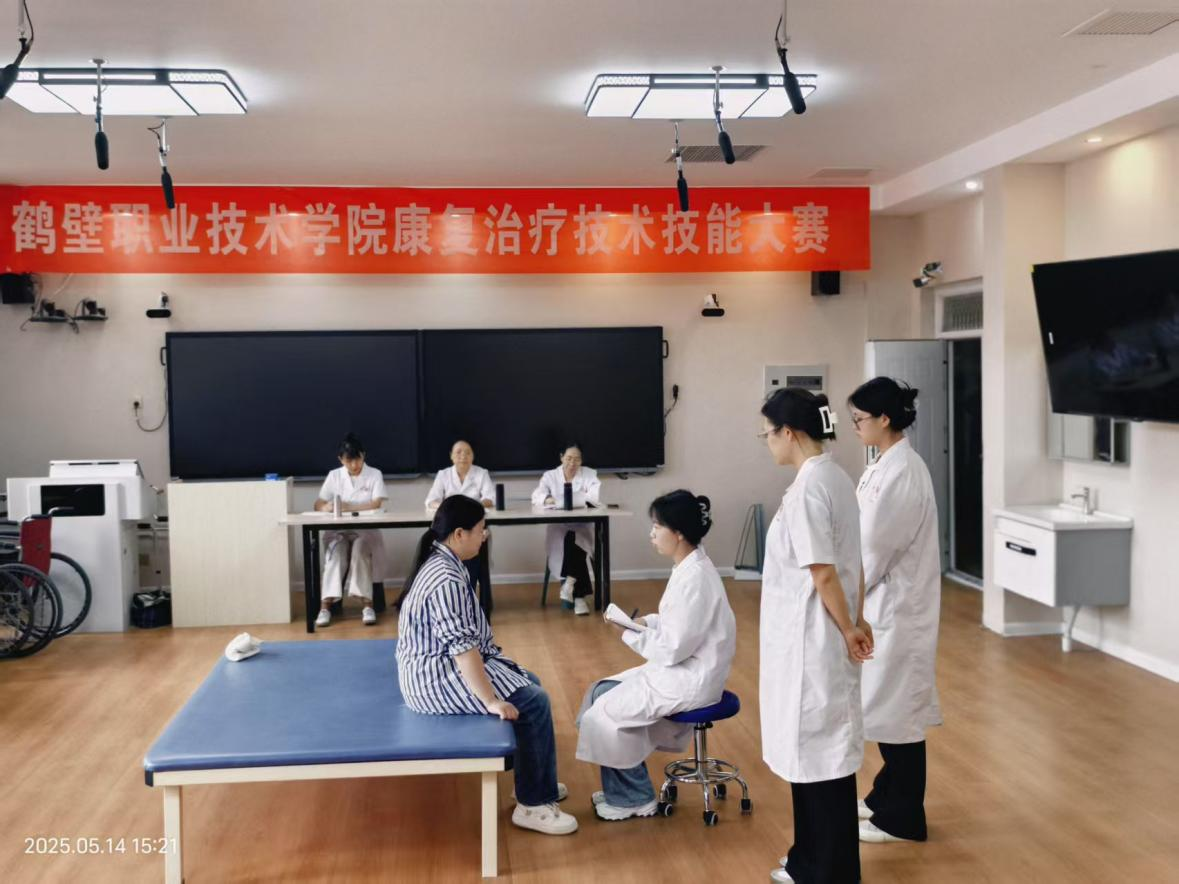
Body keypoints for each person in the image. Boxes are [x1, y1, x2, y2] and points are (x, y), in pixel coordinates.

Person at [395, 495, 578, 836]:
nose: (485, 535)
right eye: (481, 529)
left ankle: (532, 781)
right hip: (434, 679)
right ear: (459, 534)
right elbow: (462, 650)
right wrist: (491, 700)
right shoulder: (445, 579)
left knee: (530, 682)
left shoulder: (444, 561)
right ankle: (533, 805)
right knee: (534, 701)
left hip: (437, 667)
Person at [758, 389, 873, 884]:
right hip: (823, 633)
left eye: (767, 434)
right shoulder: (837, 477)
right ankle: (811, 859)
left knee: (818, 757)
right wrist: (858, 619)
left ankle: (824, 869)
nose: (767, 443)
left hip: (814, 639)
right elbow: (855, 561)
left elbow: (824, 570)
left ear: (788, 432)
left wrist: (849, 627)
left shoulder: (809, 488)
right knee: (819, 756)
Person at [576, 490, 736, 820]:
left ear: (678, 533)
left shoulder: (695, 578)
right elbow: (679, 624)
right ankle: (623, 788)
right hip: (683, 669)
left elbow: (674, 647)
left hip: (690, 677)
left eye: (657, 526)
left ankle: (633, 798)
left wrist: (627, 633)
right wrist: (644, 623)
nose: (651, 533)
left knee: (605, 710)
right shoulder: (690, 567)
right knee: (599, 692)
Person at [849, 377, 942, 844]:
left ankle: (904, 819)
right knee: (886, 710)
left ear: (885, 418)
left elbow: (875, 548)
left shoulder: (904, 470)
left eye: (860, 419)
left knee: (899, 716)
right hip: (884, 602)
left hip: (900, 609)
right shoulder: (884, 463)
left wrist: (843, 595)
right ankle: (883, 798)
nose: (855, 427)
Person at [313, 432, 389, 627]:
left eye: (358, 459)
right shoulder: (334, 475)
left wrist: (348, 507)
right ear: (341, 460)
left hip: (365, 531)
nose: (354, 465)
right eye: (349, 461)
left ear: (364, 455)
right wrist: (325, 507)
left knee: (360, 551)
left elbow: (376, 503)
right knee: (335, 555)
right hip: (338, 531)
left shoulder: (374, 474)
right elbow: (318, 502)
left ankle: (367, 606)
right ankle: (325, 608)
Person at [530, 442, 601, 616]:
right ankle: (578, 597)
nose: (572, 463)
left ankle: (569, 585)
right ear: (561, 457)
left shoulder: (589, 474)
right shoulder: (550, 476)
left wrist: (578, 499)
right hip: (558, 527)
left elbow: (594, 497)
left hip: (582, 525)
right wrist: (550, 499)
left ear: (581, 460)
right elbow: (536, 495)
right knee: (570, 538)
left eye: (577, 459)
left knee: (574, 538)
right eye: (569, 458)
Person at [425, 440, 495, 614]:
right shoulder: (443, 474)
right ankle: (453, 597)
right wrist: (450, 510)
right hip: (449, 526)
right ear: (451, 456)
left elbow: (490, 499)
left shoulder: (481, 473)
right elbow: (431, 501)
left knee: (478, 541)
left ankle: (474, 599)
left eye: (467, 452)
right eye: (458, 452)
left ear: (473, 456)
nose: (463, 456)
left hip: (474, 525)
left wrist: (468, 509)